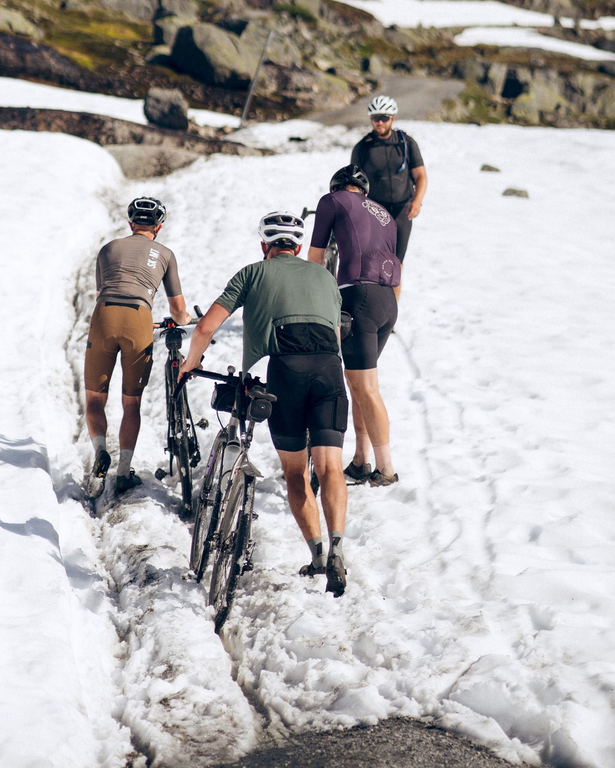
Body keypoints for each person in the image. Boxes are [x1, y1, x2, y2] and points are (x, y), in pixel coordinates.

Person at [180, 212, 349, 597]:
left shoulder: (252, 273)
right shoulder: (325, 276)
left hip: (286, 372)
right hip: (329, 369)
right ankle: (338, 547)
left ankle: (318, 555)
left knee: (296, 471)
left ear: (264, 246)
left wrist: (191, 363)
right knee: (330, 467)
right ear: (299, 247)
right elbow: (338, 333)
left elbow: (205, 326)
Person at [85, 196, 191, 496]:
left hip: (104, 316)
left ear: (131, 223)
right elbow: (178, 311)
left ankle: (100, 451)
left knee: (95, 398)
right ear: (159, 227)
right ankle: (123, 472)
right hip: (139, 318)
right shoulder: (165, 254)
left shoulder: (108, 249)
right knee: (131, 402)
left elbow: (102, 292)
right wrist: (185, 319)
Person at [308, 165, 400, 487]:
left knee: (366, 388)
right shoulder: (386, 215)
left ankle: (386, 469)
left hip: (357, 296)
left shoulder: (332, 201)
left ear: (336, 187)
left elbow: (316, 259)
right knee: (359, 383)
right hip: (387, 302)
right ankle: (361, 460)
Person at [350, 95, 427, 263]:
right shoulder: (362, 148)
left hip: (403, 211)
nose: (379, 122)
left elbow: (421, 176)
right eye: (375, 118)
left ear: (393, 118)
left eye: (384, 118)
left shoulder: (406, 143)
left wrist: (417, 201)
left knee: (397, 263)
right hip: (374, 211)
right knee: (375, 262)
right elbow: (353, 184)